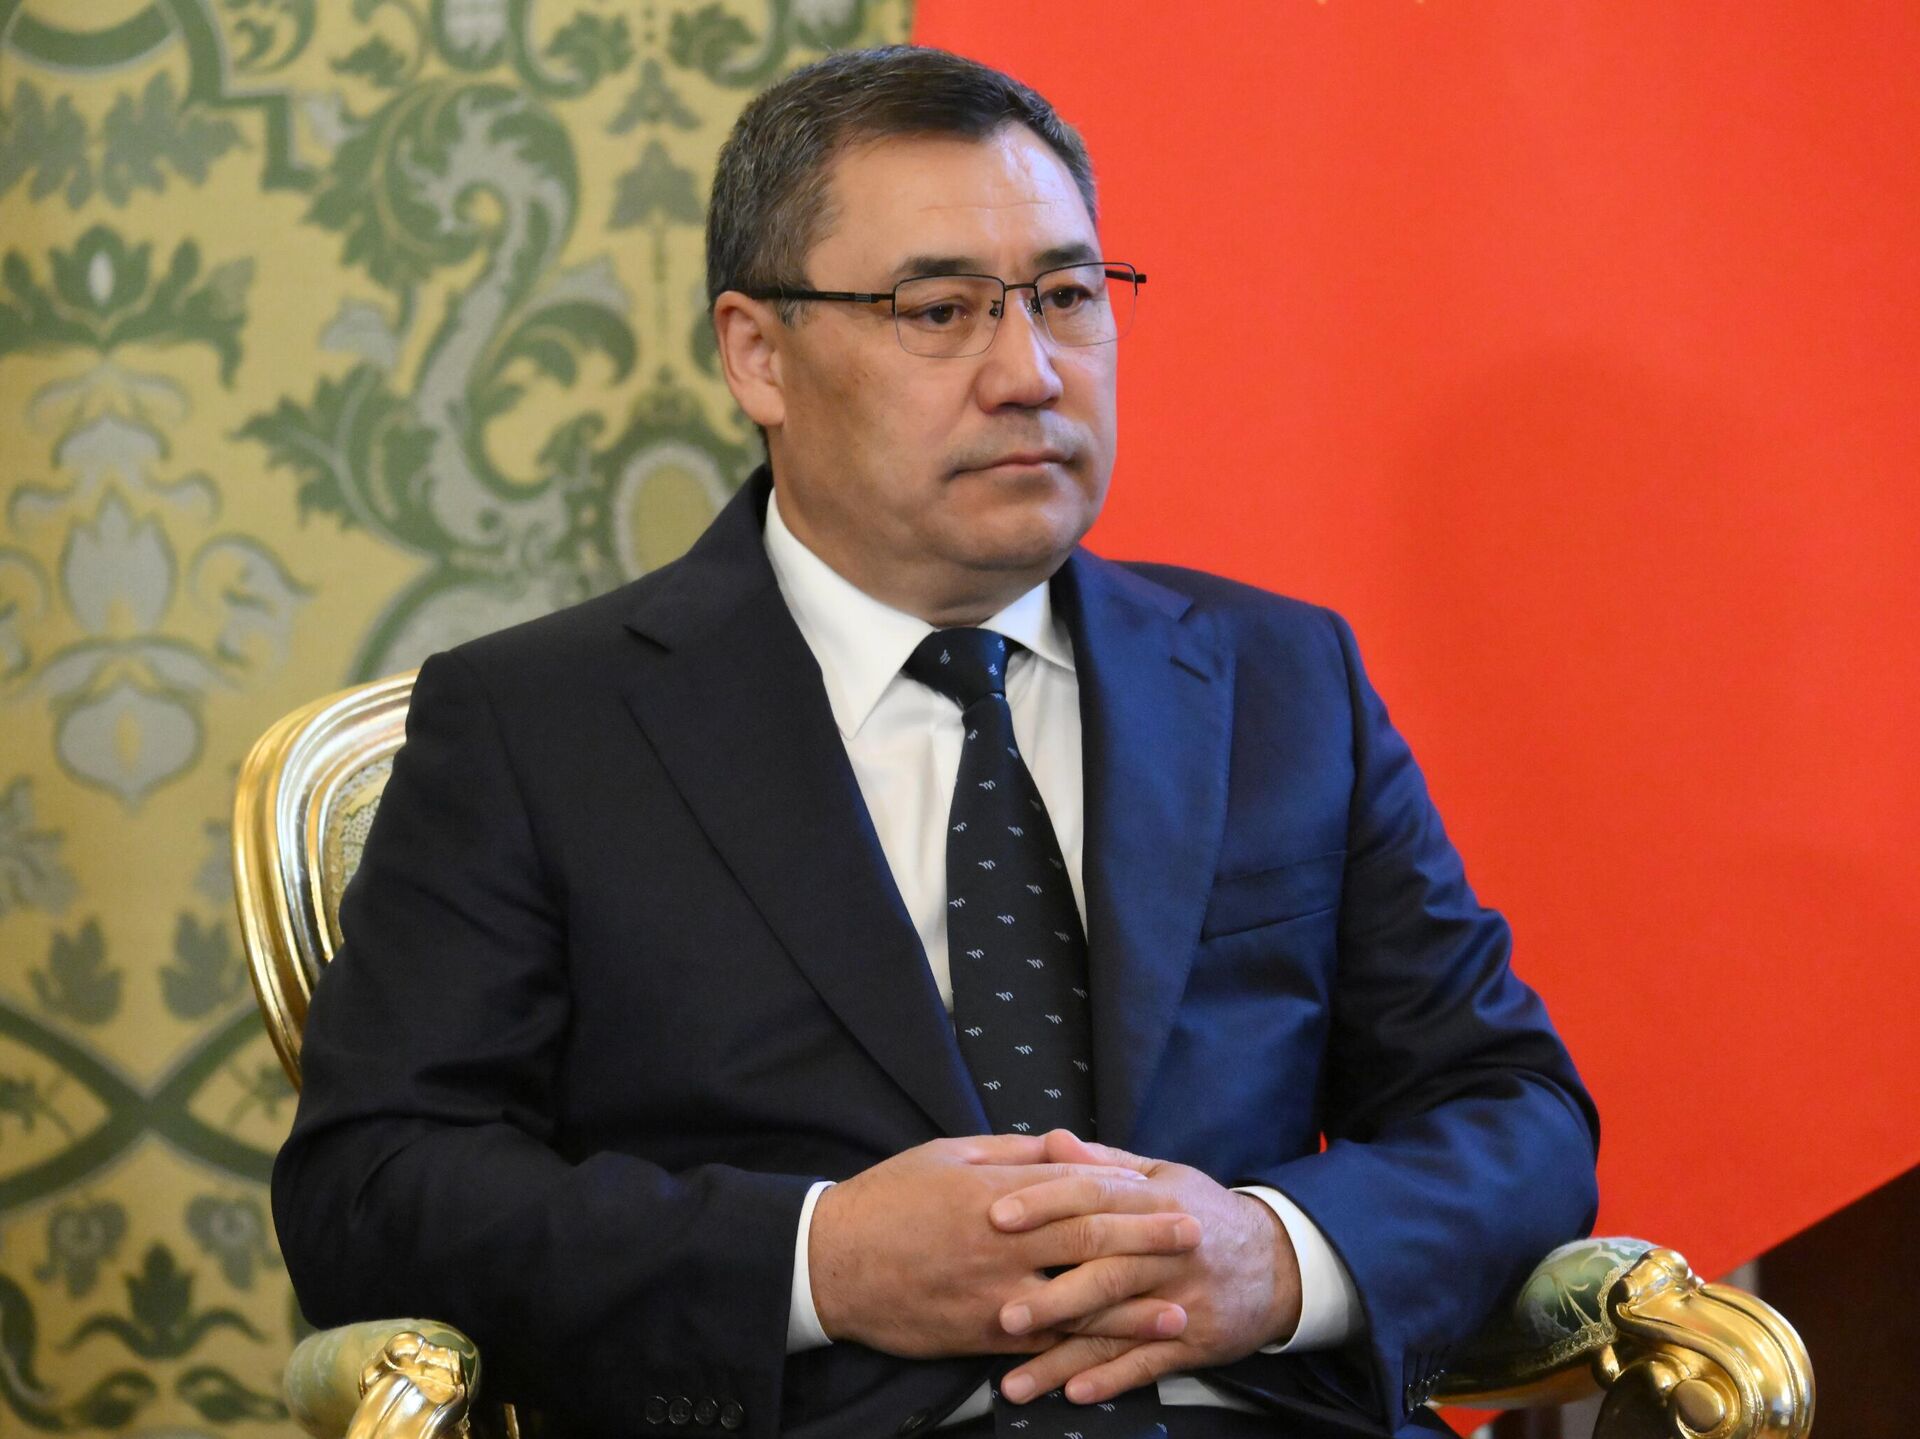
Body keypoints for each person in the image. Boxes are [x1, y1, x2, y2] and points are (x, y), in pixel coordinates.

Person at [273, 45, 1598, 1439]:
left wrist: (1275, 1254)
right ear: (759, 354)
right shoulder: (541, 726)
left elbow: (1511, 1110)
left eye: (1068, 297)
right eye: (940, 310)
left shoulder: (1279, 679)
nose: (1029, 373)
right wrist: (819, 1261)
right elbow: (372, 1193)